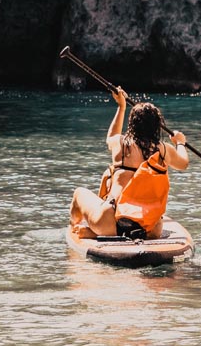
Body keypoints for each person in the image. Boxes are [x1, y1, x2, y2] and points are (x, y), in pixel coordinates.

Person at [70, 87, 189, 239]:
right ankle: (95, 233)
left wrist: (121, 106)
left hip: (109, 223)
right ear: (157, 126)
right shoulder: (163, 150)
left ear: (132, 123)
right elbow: (183, 163)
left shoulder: (120, 143)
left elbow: (111, 136)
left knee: (79, 193)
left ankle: (76, 233)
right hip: (150, 229)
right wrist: (180, 143)